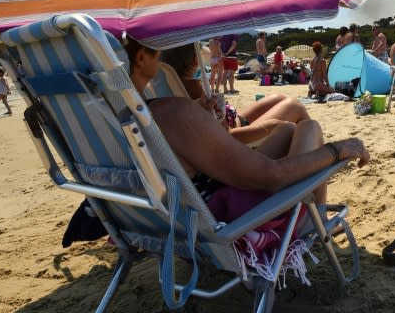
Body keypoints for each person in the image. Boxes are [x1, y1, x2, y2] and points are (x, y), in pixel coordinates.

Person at [124, 38, 370, 221]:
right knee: (309, 128)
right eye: (156, 50)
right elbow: (271, 176)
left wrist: (203, 113)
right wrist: (338, 150)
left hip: (179, 215)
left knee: (286, 129)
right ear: (142, 59)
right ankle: (316, 221)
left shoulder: (121, 117)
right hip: (230, 218)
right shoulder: (172, 111)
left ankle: (319, 212)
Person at [161, 44, 313, 145]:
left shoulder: (168, 83)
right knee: (295, 106)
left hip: (235, 119)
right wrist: (267, 127)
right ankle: (308, 148)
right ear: (195, 59)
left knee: (279, 98)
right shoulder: (194, 88)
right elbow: (226, 138)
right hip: (237, 134)